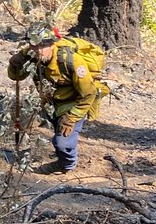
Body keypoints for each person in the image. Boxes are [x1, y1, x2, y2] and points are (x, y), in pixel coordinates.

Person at [8, 24, 101, 173]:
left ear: (52, 44)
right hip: (51, 103)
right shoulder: (30, 55)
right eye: (34, 46)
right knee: (41, 127)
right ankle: (59, 154)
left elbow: (89, 93)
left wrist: (72, 118)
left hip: (75, 102)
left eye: (42, 46)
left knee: (62, 142)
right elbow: (16, 77)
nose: (38, 50)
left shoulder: (72, 61)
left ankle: (66, 165)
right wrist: (14, 64)